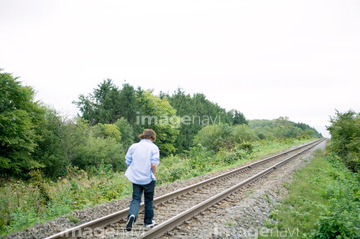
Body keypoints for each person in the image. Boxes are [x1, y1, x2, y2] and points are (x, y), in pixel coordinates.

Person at [125, 129, 160, 231]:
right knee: (148, 200)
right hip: (148, 178)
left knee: (136, 199)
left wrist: (133, 173)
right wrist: (152, 174)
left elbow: (128, 161)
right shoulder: (154, 147)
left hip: (136, 179)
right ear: (152, 137)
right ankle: (148, 222)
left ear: (143, 136)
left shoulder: (134, 146)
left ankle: (132, 216)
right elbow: (154, 164)